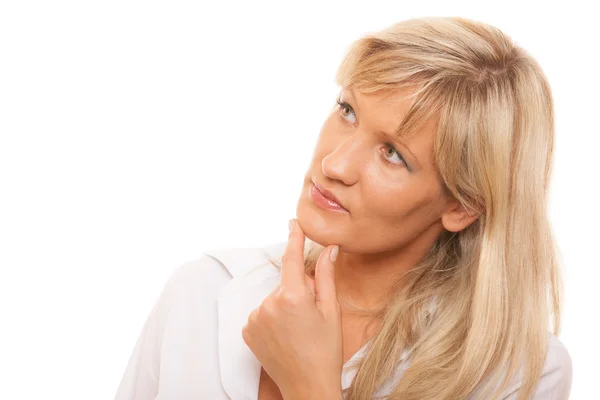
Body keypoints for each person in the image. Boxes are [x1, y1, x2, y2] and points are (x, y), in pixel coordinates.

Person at [114, 16, 572, 400]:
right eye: (347, 111)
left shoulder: (518, 373)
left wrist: (310, 385)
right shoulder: (202, 291)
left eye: (393, 153)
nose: (334, 164)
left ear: (462, 206)